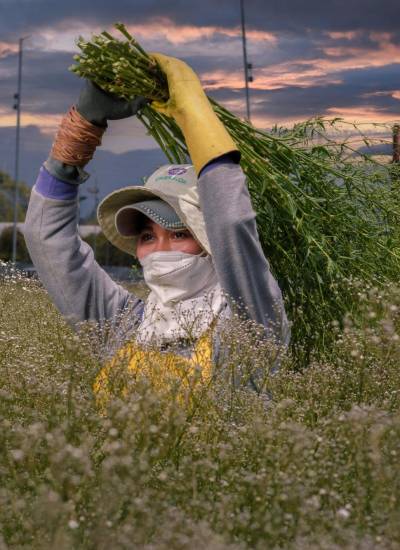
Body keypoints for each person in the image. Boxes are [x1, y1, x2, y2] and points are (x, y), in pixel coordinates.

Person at [24, 53, 289, 395]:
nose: (160, 250)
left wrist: (191, 112)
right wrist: (82, 129)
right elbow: (46, 241)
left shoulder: (249, 317)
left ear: (212, 245)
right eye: (148, 236)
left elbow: (230, 221)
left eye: (179, 233)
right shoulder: (126, 324)